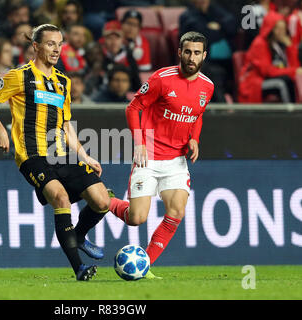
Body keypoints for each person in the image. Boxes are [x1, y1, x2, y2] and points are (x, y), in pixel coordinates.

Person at [0, 24, 111, 281]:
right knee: (60, 198)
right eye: (51, 44)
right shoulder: (18, 76)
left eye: (60, 44)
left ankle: (79, 236)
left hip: (61, 153)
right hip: (32, 156)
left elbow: (65, 126)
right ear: (36, 46)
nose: (57, 49)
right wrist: (1, 131)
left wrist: (85, 156)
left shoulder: (63, 82)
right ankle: (79, 268)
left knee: (102, 200)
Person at [107, 31, 214, 279]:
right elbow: (133, 108)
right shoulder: (162, 79)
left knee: (176, 211)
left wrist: (194, 139)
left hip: (177, 161)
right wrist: (139, 143)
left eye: (197, 52)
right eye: (187, 51)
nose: (191, 57)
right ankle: (107, 201)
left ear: (204, 55)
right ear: (179, 52)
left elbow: (197, 115)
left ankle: (145, 266)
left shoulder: (207, 86)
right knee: (136, 218)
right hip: (149, 156)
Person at [238, 11, 302, 103]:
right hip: (255, 82)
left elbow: (294, 66)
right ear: (270, 28)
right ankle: (291, 113)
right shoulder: (260, 43)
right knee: (284, 82)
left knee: (294, 79)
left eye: (283, 29)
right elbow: (268, 71)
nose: (281, 32)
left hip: (272, 77)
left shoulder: (280, 44)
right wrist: (293, 71)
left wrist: (290, 47)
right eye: (278, 29)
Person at [179, 0, 237, 102]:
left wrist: (218, 27)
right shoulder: (187, 16)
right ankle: (222, 108)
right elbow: (201, 36)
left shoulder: (215, 10)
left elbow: (232, 25)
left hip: (225, 62)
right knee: (212, 73)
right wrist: (218, 30)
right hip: (201, 60)